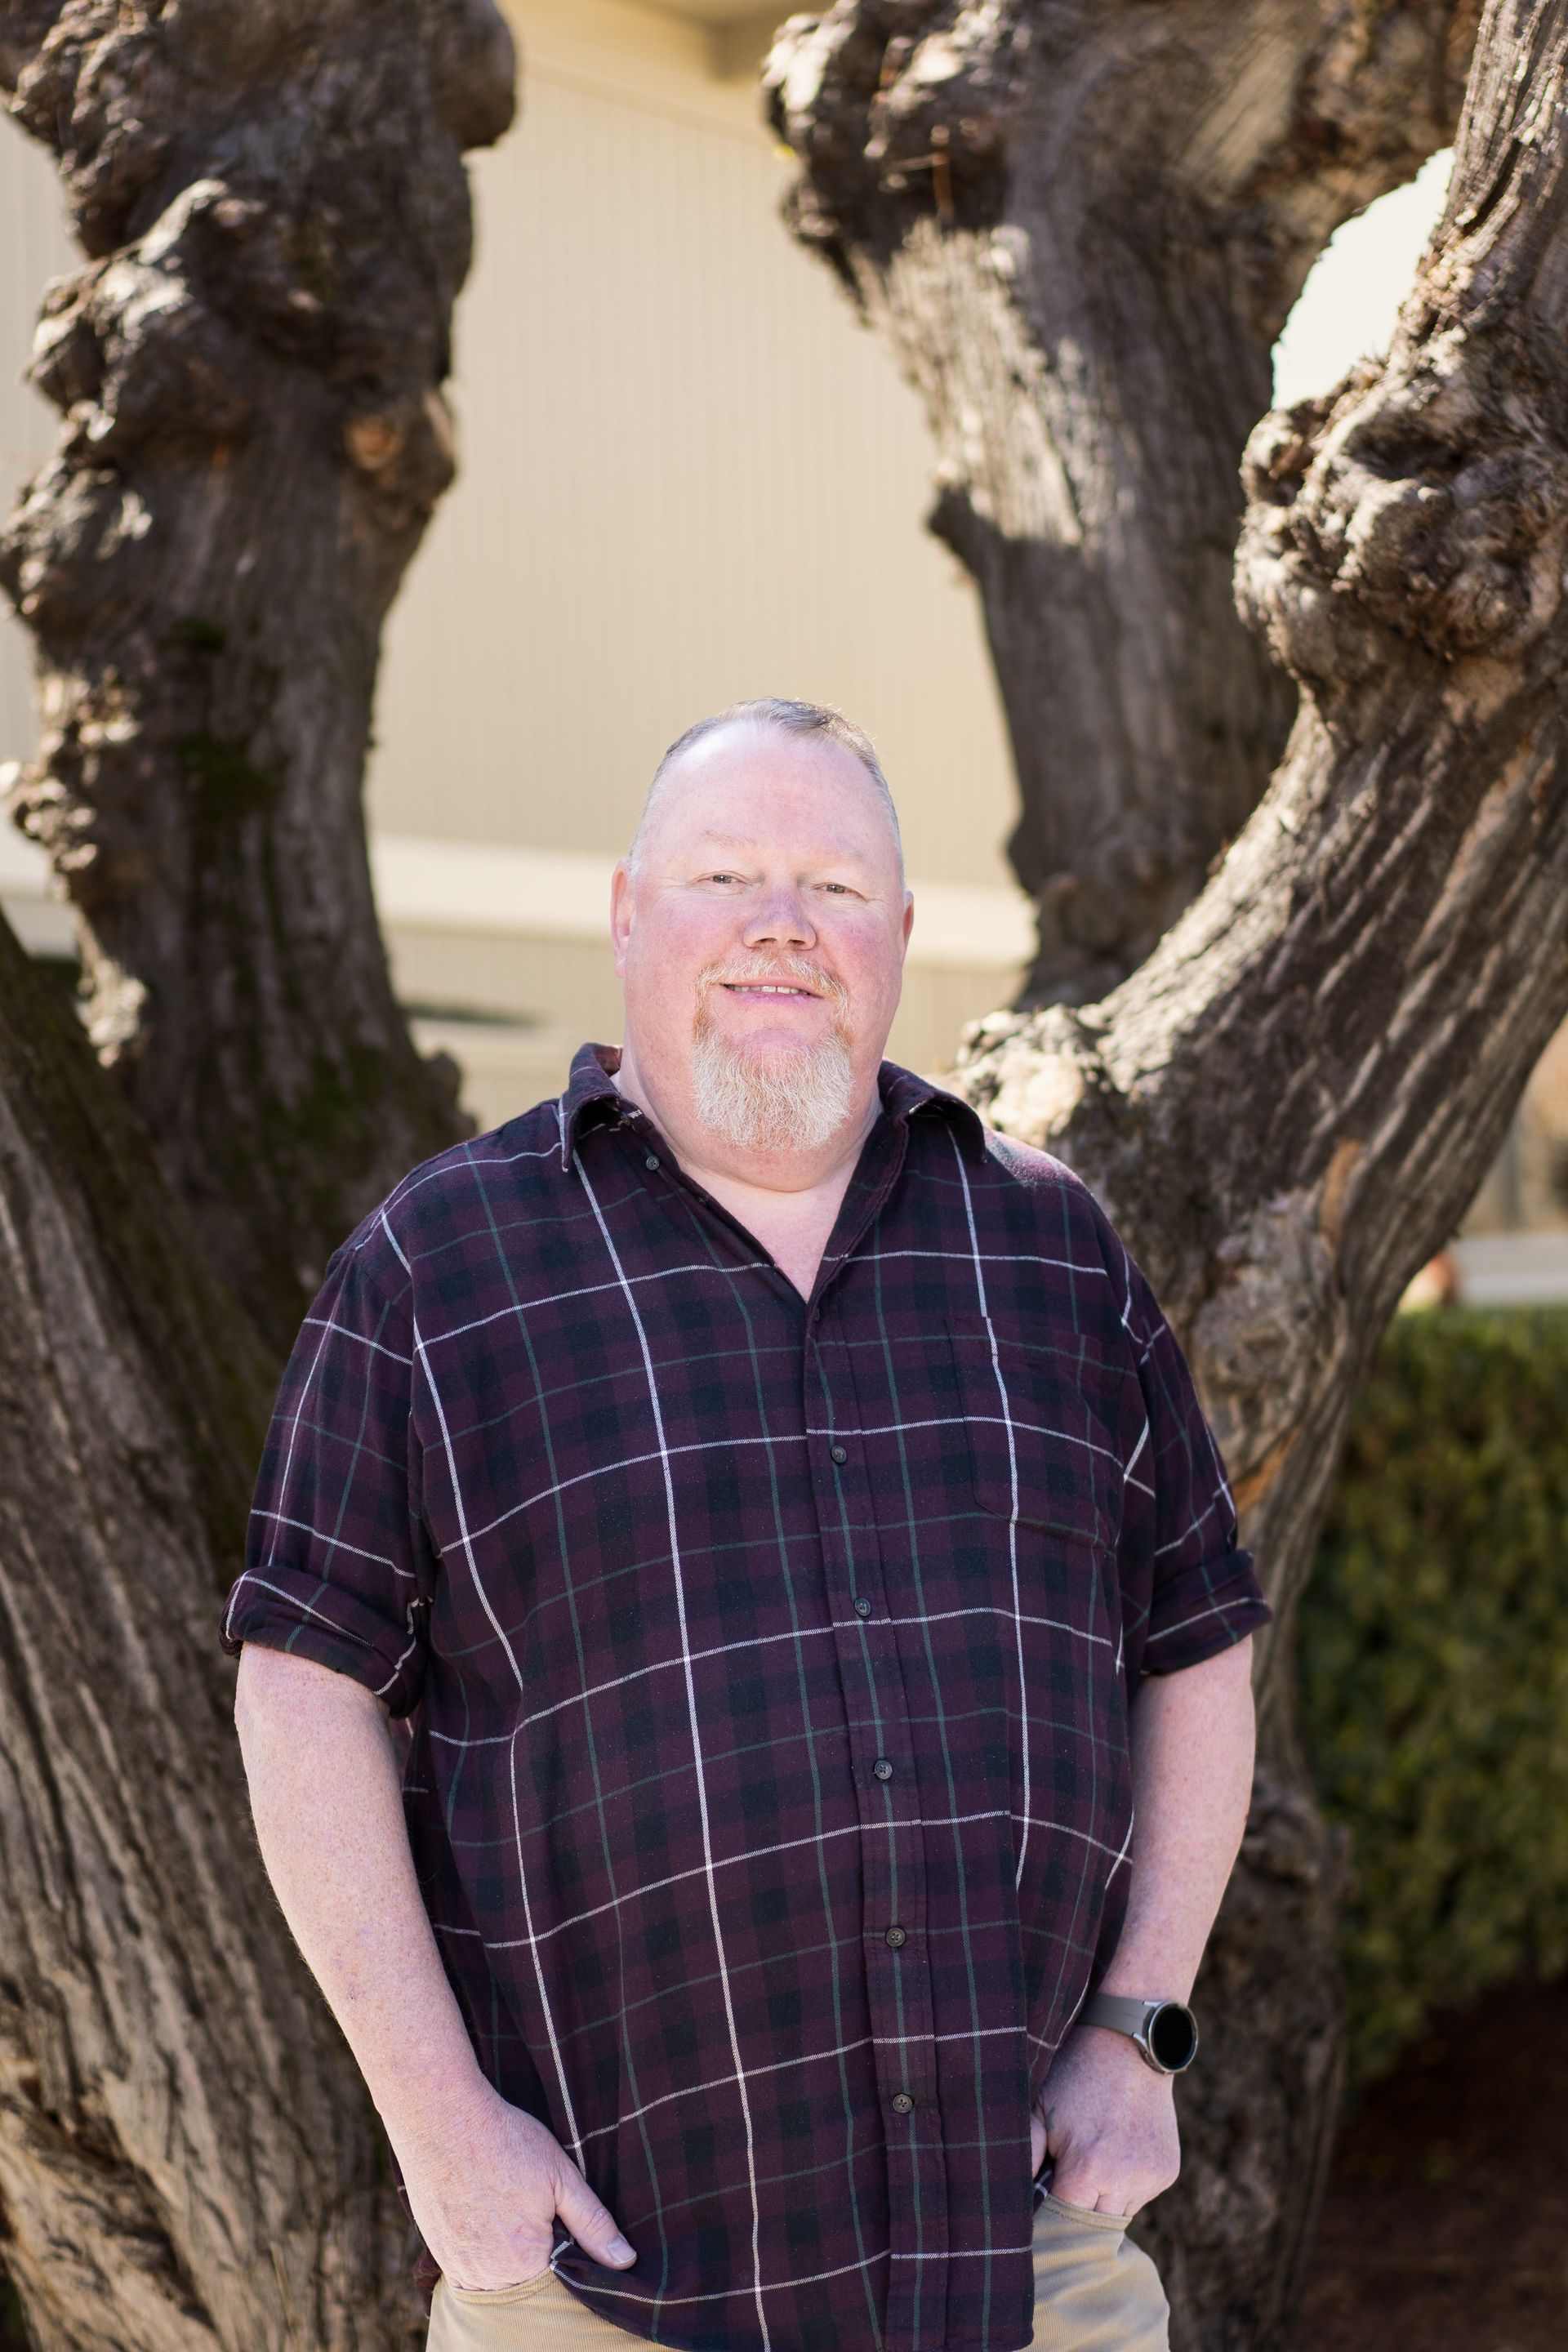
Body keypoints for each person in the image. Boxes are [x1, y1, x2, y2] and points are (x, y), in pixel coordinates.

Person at [225, 699, 1268, 2352]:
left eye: (836, 888)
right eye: (726, 875)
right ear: (630, 915)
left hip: (1020, 2264)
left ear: (901, 938)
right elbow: (298, 1687)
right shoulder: (438, 1275)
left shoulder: (1050, 1251)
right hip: (604, 2282)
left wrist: (1142, 2035)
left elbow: (1199, 1644)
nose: (784, 925)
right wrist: (433, 2121)